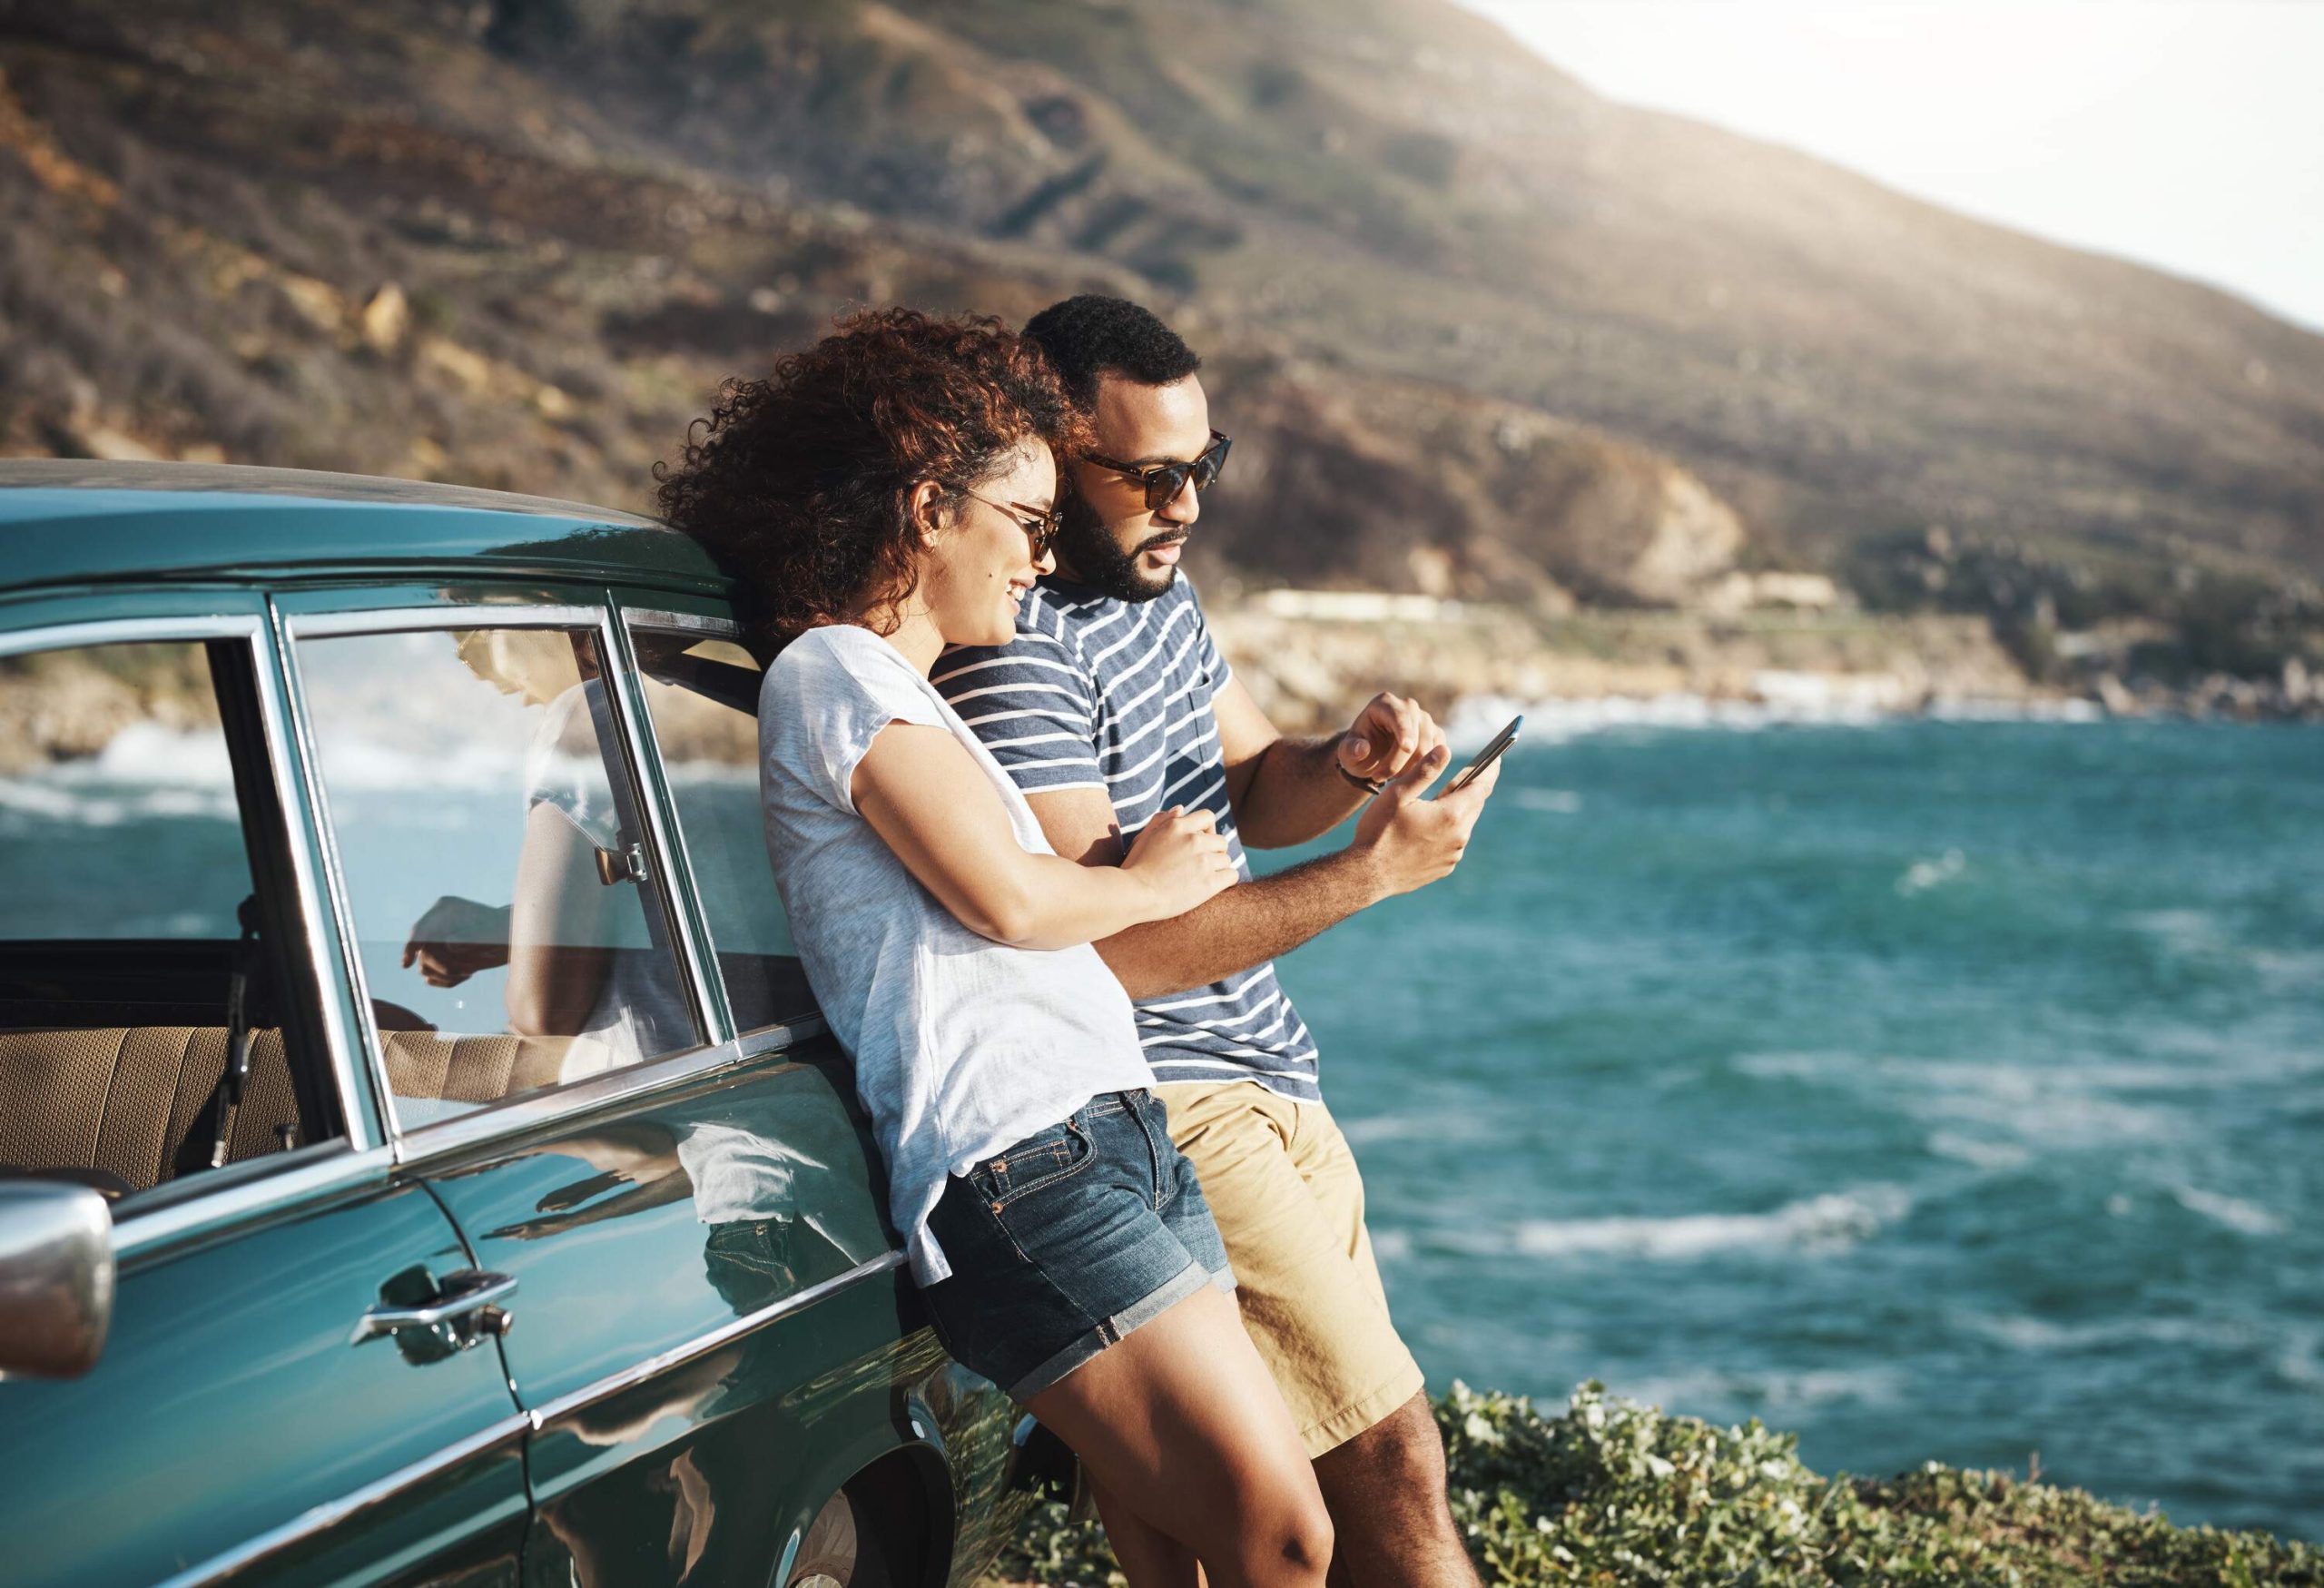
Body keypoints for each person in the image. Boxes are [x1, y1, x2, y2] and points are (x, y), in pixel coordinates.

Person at [657, 307, 1334, 1587]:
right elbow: (1011, 903)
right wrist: (1148, 880)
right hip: (1020, 1164)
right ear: (927, 510)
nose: (1040, 557)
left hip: (1109, 1131)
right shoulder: (835, 673)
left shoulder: (904, 694)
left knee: (1184, 1550)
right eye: (1024, 524)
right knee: (1287, 1534)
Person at [933, 295, 1499, 1588]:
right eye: (1150, 476)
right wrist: (1369, 877)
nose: (1185, 503)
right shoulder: (1014, 657)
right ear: (1046, 455)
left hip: (1274, 1075)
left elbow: (1250, 777)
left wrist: (1345, 765)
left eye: (1204, 466)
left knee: (1292, 1498)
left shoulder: (1159, 597)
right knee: (1393, 1463)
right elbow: (1109, 952)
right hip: (1173, 1097)